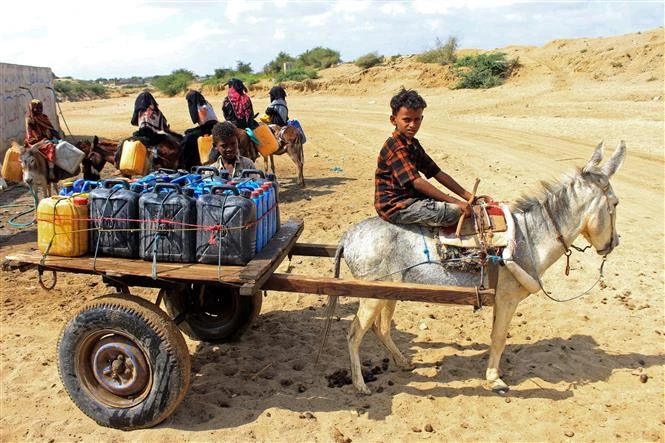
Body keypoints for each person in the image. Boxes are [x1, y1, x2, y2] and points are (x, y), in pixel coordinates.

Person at [375, 88, 491, 227]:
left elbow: (437, 173)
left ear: (422, 119)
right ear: (393, 120)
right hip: (395, 206)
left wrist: (470, 198)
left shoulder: (412, 144)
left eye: (417, 119)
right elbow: (417, 182)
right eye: (407, 120)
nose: (412, 125)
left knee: (453, 206)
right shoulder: (396, 147)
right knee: (453, 212)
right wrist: (454, 202)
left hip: (411, 199)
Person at [180, 90, 218, 170]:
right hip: (214, 125)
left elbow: (203, 122)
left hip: (208, 127)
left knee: (188, 138)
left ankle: (187, 166)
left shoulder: (200, 107)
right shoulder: (206, 104)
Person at [24, 99, 61, 180]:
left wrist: (51, 134)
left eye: (40, 107)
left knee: (58, 146)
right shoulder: (29, 119)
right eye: (35, 108)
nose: (38, 110)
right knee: (49, 146)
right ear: (31, 108)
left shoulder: (44, 117)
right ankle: (26, 174)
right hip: (34, 140)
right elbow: (29, 132)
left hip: (45, 138)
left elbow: (50, 128)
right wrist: (35, 140)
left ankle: (52, 169)